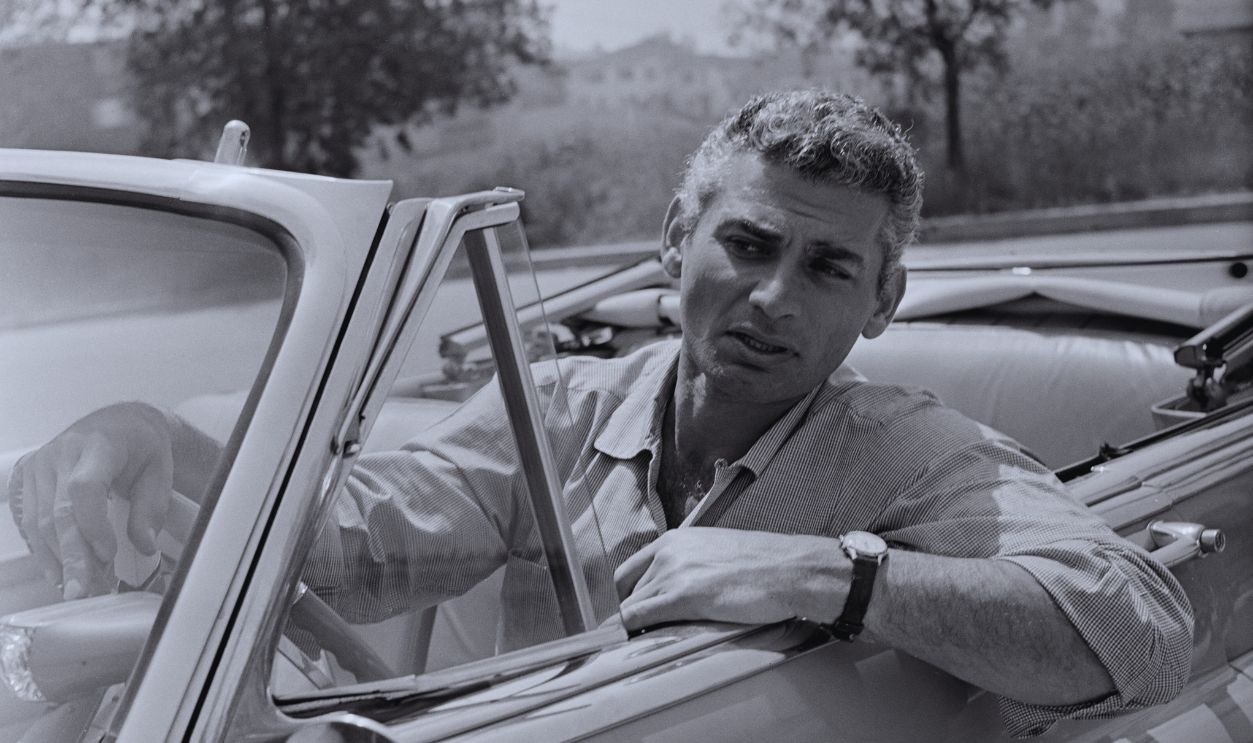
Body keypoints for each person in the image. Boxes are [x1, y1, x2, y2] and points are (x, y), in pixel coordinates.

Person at [7, 90, 1192, 738]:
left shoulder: (910, 450)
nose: (771, 297)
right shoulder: (561, 405)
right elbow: (357, 536)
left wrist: (828, 576)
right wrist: (154, 434)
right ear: (676, 243)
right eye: (745, 242)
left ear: (881, 301)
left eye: (828, 269)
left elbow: (1140, 628)